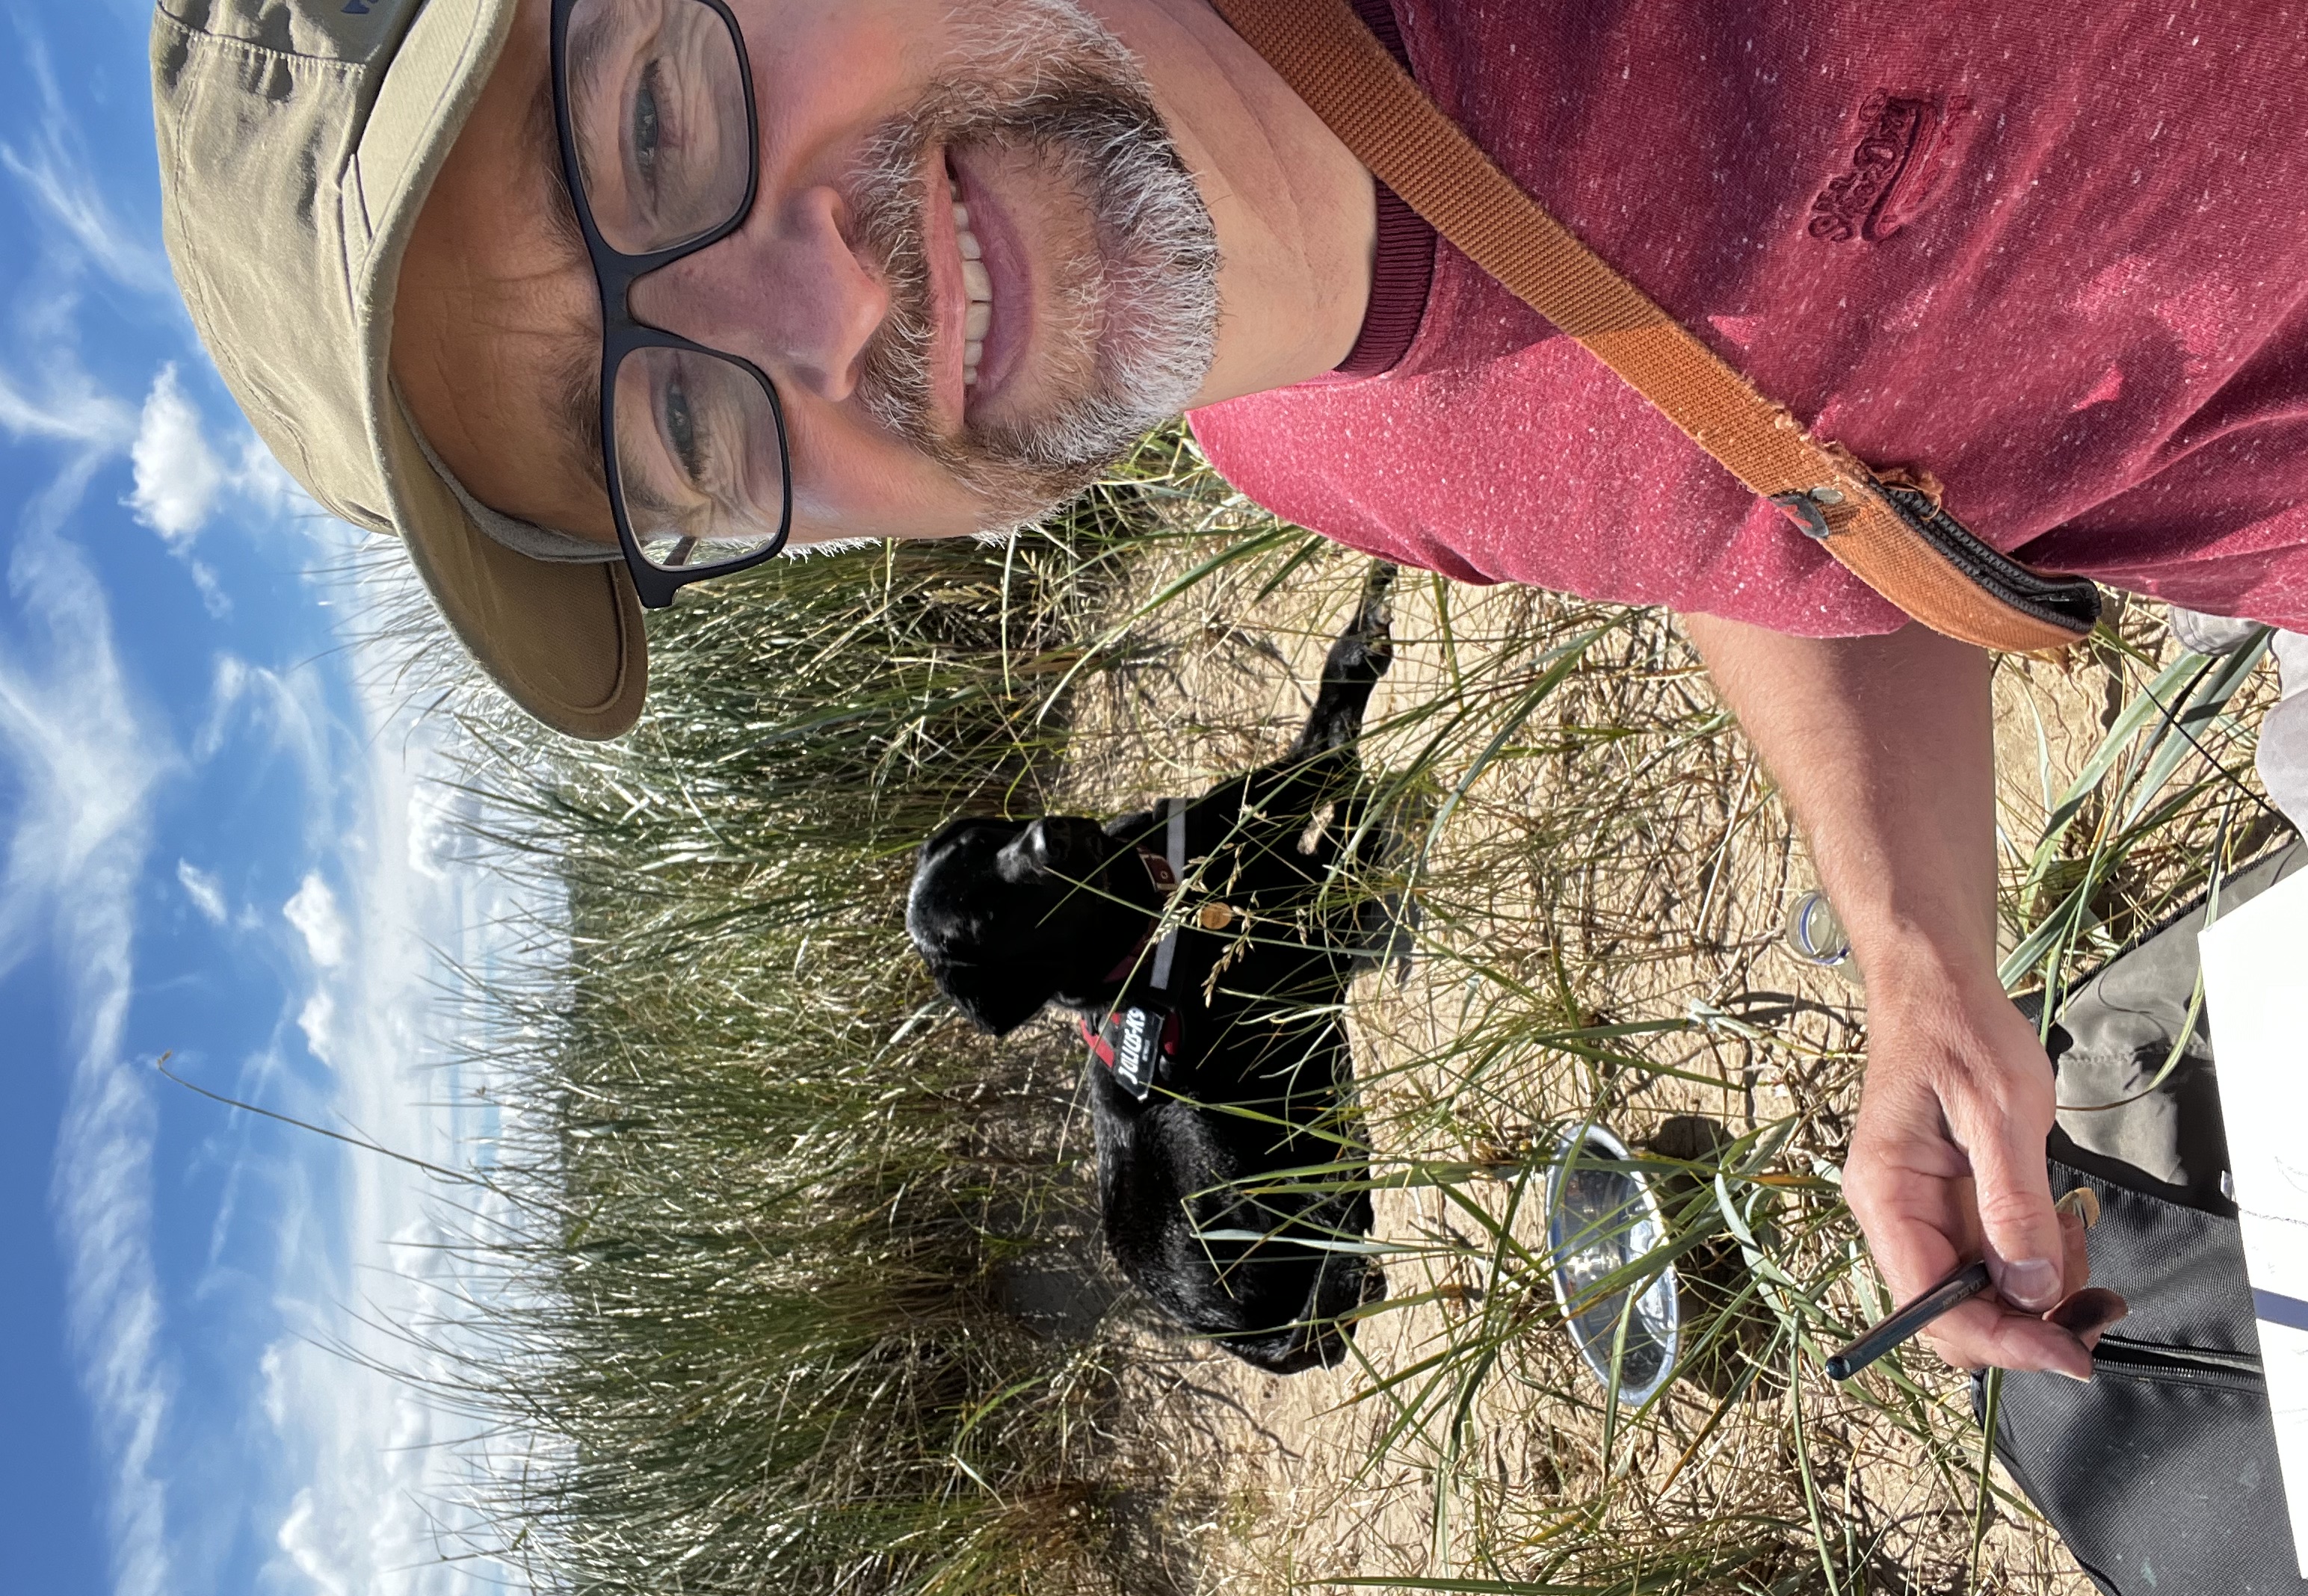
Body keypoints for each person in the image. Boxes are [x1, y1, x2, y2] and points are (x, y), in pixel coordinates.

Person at [152, 0, 2308, 1382]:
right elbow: (1754, 503)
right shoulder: (1304, 444)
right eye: (685, 433)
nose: (820, 316)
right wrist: (1919, 953)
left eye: (656, 118)